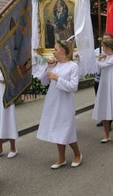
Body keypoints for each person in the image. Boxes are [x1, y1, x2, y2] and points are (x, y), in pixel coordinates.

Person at [37, 40, 82, 169]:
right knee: (57, 129)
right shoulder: (55, 65)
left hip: (65, 103)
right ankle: (61, 158)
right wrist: (49, 68)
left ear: (63, 51)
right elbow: (44, 82)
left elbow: (74, 87)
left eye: (56, 49)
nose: (54, 52)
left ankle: (77, 154)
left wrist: (57, 78)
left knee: (66, 130)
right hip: (54, 101)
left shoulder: (73, 66)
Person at [92, 39, 113, 143]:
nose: (103, 49)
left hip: (112, 85)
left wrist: (96, 60)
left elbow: (103, 66)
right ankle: (107, 135)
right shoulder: (105, 57)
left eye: (104, 47)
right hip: (104, 84)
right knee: (104, 109)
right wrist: (100, 60)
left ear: (108, 47)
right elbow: (98, 70)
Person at [0, 67, 18, 160]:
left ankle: (13, 148)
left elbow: (15, 78)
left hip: (7, 95)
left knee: (9, 120)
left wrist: (4, 79)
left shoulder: (9, 62)